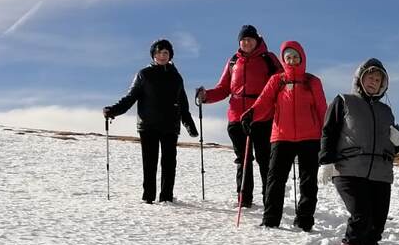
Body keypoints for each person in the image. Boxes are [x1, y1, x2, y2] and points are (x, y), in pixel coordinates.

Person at [319, 58, 399, 245]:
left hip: (380, 172)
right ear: (360, 77)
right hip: (349, 169)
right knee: (361, 215)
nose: (373, 82)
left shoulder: (386, 111)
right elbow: (329, 132)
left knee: (377, 221)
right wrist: (325, 161)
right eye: (370, 77)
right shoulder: (343, 101)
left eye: (378, 80)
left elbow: (393, 144)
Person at [242, 40, 328, 231]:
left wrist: (326, 136)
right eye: (288, 57)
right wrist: (251, 114)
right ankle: (271, 219)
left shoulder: (312, 81)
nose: (291, 60)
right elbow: (263, 102)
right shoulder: (276, 80)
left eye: (295, 57)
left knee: (308, 182)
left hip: (310, 137)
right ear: (283, 59)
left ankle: (305, 220)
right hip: (281, 136)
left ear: (302, 58)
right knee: (275, 179)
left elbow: (322, 109)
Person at [194, 25, 281, 208]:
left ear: (257, 41)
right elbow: (224, 88)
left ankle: (270, 198)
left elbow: (279, 84)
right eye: (243, 40)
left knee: (265, 158)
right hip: (236, 117)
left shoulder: (268, 58)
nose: (246, 42)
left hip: (262, 116)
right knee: (243, 159)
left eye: (250, 39)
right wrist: (206, 96)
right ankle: (244, 198)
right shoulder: (234, 61)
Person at [103, 38, 199, 204]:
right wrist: (114, 111)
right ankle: (148, 197)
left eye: (165, 53)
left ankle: (166, 197)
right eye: (159, 52)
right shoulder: (144, 74)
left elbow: (183, 103)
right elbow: (130, 97)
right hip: (148, 125)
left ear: (170, 55)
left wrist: (189, 124)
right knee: (150, 162)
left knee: (169, 163)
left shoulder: (176, 77)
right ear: (153, 55)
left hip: (170, 126)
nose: (162, 55)